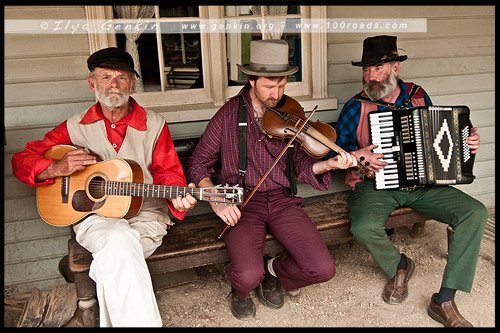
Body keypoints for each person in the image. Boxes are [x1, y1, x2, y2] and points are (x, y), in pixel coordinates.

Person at [11, 47, 197, 327]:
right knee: (120, 245)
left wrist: (179, 198)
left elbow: (168, 172)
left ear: (133, 84)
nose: (114, 84)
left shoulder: (155, 125)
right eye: (106, 77)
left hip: (145, 216)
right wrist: (55, 169)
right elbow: (21, 161)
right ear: (92, 84)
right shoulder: (74, 127)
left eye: (121, 78)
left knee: (115, 257)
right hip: (93, 216)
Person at [186, 39, 357, 320]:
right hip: (242, 202)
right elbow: (198, 163)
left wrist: (327, 164)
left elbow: (301, 164)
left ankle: (272, 270)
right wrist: (216, 200)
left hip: (282, 200)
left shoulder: (289, 111)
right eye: (269, 86)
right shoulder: (228, 114)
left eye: (281, 85)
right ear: (251, 80)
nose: (276, 93)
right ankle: (241, 291)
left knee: (323, 269)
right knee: (246, 276)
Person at [326, 35, 487, 327]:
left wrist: (468, 144)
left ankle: (444, 299)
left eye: (377, 69)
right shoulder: (355, 107)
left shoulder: (418, 96)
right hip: (374, 185)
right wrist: (357, 156)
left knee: (475, 212)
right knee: (362, 226)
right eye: (366, 70)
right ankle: (399, 264)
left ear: (395, 68)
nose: (370, 77)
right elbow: (333, 153)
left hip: (423, 185)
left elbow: (442, 134)